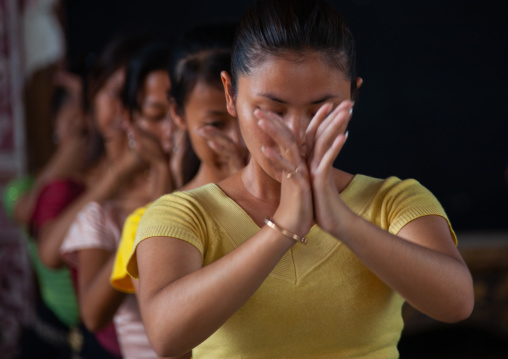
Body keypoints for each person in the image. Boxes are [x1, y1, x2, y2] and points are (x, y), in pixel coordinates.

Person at [126, 1, 475, 358]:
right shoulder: (183, 214)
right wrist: (282, 228)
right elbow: (165, 336)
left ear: (352, 96)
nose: (296, 132)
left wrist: (341, 221)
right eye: (273, 110)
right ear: (231, 94)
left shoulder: (393, 200)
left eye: (318, 110)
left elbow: (457, 302)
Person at [110, 24, 247, 344]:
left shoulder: (296, 205)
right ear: (178, 114)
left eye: (246, 116)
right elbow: (176, 347)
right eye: (215, 124)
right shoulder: (150, 226)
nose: (236, 139)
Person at [29, 34, 152, 359]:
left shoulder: (163, 178)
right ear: (93, 94)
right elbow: (49, 254)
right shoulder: (78, 185)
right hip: (101, 343)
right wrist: (119, 174)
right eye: (114, 93)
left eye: (135, 96)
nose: (123, 109)